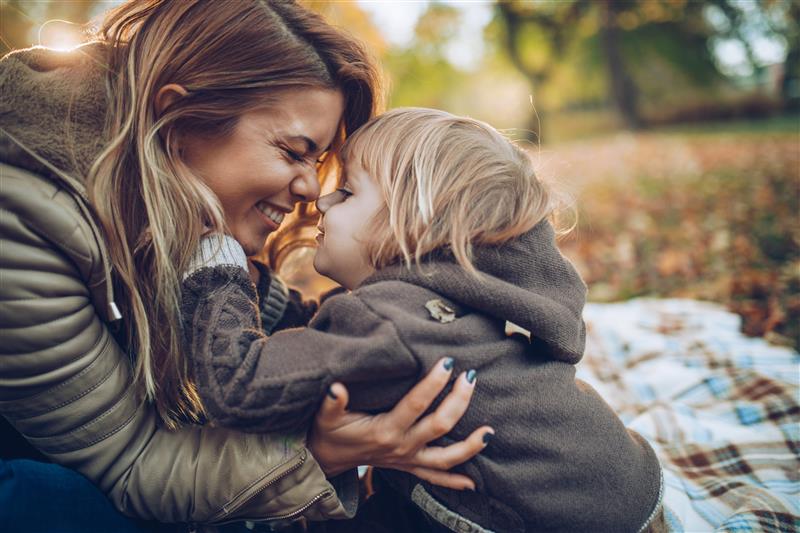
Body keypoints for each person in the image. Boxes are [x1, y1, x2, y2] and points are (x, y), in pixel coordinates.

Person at [0, 1, 486, 531]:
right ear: (179, 120)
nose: (311, 189)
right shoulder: (22, 221)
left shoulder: (170, 195)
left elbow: (273, 321)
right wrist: (316, 453)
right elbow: (132, 463)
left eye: (319, 162)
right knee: (45, 498)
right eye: (294, 152)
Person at [179, 107, 667, 533]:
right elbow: (328, 343)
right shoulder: (450, 303)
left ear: (410, 225)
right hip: (627, 492)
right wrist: (265, 296)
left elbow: (238, 384)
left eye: (346, 192)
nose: (321, 202)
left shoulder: (389, 322)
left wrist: (217, 268)